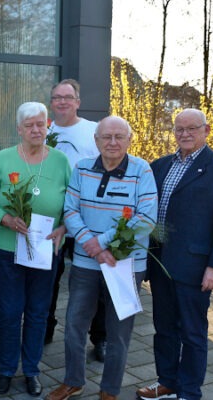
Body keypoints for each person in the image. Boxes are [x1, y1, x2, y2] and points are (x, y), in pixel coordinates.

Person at [46, 116, 157, 400]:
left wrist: (102, 242)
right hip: (85, 263)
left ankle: (109, 390)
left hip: (125, 266)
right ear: (96, 140)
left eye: (119, 136)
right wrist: (90, 245)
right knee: (74, 324)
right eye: (106, 137)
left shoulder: (142, 170)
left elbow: (146, 219)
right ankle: (73, 381)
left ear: (129, 139)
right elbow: (70, 210)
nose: (112, 142)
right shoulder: (82, 169)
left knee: (118, 332)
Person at [135, 108, 213, 400]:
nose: (184, 134)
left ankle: (190, 392)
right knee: (164, 329)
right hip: (160, 265)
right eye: (179, 129)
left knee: (193, 333)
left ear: (206, 130)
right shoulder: (158, 166)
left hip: (196, 267)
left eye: (191, 128)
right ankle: (167, 382)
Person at [0, 102, 70, 397]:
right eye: (29, 124)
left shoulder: (60, 161)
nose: (36, 129)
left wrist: (64, 228)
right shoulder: (5, 159)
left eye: (41, 124)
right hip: (8, 249)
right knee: (9, 311)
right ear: (19, 129)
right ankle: (7, 369)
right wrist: (5, 218)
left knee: (37, 313)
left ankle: (31, 370)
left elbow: (73, 204)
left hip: (45, 250)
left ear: (48, 126)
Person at [45, 79, 106, 362]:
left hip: (88, 220)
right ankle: (45, 328)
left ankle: (100, 337)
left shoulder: (93, 132)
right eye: (57, 97)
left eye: (67, 97)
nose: (62, 102)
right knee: (49, 278)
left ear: (78, 102)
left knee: (94, 280)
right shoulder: (44, 132)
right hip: (53, 220)